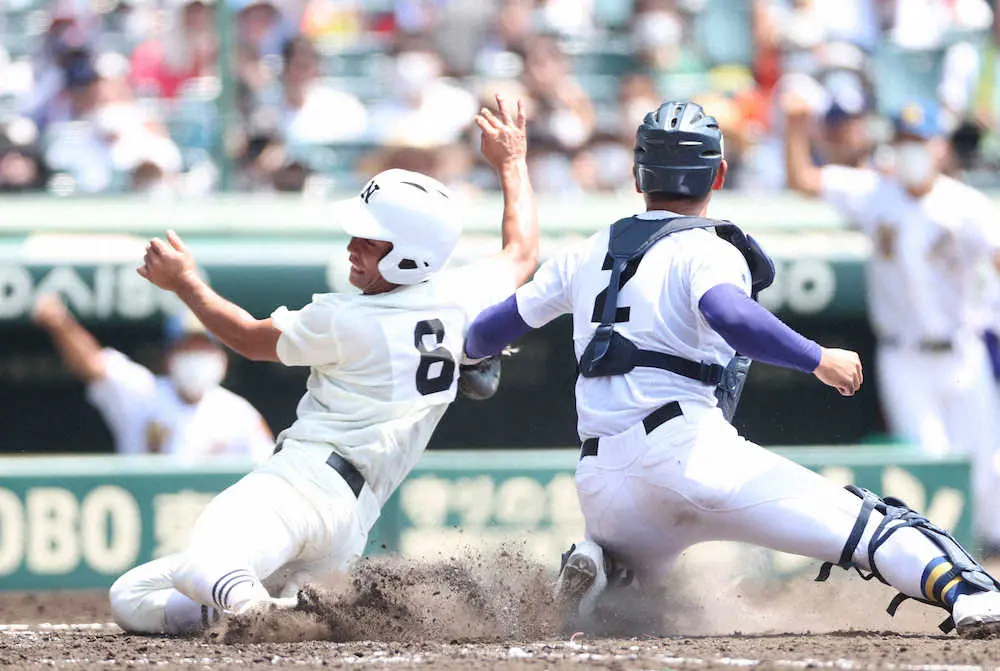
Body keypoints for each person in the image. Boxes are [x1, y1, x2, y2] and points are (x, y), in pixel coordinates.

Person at [463, 100, 1000, 637]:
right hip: (690, 453)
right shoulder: (705, 246)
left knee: (634, 604)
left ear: (636, 174)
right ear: (718, 173)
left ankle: (604, 571)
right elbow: (730, 314)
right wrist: (818, 358)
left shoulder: (585, 252)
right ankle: (972, 594)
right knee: (869, 526)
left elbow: (487, 331)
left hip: (602, 482)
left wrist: (472, 356)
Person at [108, 94, 539, 634]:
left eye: (370, 239)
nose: (353, 246)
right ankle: (287, 614)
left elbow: (245, 338)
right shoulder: (462, 295)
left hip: (302, 485)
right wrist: (512, 162)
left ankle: (254, 614)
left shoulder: (348, 318)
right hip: (347, 526)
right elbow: (521, 250)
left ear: (410, 253)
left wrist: (186, 285)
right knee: (135, 596)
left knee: (205, 564)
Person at [783, 95, 1000, 549]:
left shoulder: (965, 204)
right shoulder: (874, 194)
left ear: (939, 146)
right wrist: (797, 126)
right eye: (902, 141)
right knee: (930, 458)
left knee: (986, 470)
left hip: (963, 350)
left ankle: (988, 565)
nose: (911, 150)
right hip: (904, 354)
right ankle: (945, 566)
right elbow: (802, 178)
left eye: (919, 141)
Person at [31, 294, 273, 460]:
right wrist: (60, 322)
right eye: (187, 348)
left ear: (221, 357)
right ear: (169, 356)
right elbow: (94, 365)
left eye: (203, 348)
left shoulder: (239, 414)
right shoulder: (143, 394)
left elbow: (268, 472)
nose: (195, 356)